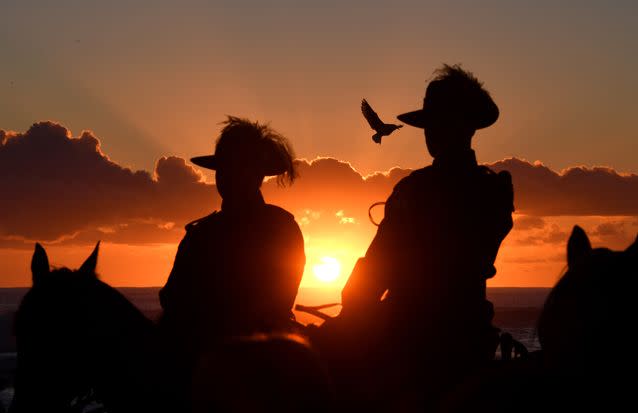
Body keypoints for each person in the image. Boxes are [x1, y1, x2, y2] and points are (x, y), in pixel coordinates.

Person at [338, 64, 514, 406]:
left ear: (461, 126)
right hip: (470, 339)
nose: (429, 133)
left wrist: (350, 317)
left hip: (409, 344)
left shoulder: (414, 191)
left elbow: (375, 272)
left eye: (436, 124)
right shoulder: (495, 189)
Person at [158, 116, 306, 369]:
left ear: (257, 176)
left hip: (262, 360)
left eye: (239, 169)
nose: (228, 177)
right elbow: (172, 299)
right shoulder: (200, 233)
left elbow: (278, 301)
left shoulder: (280, 230)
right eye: (224, 170)